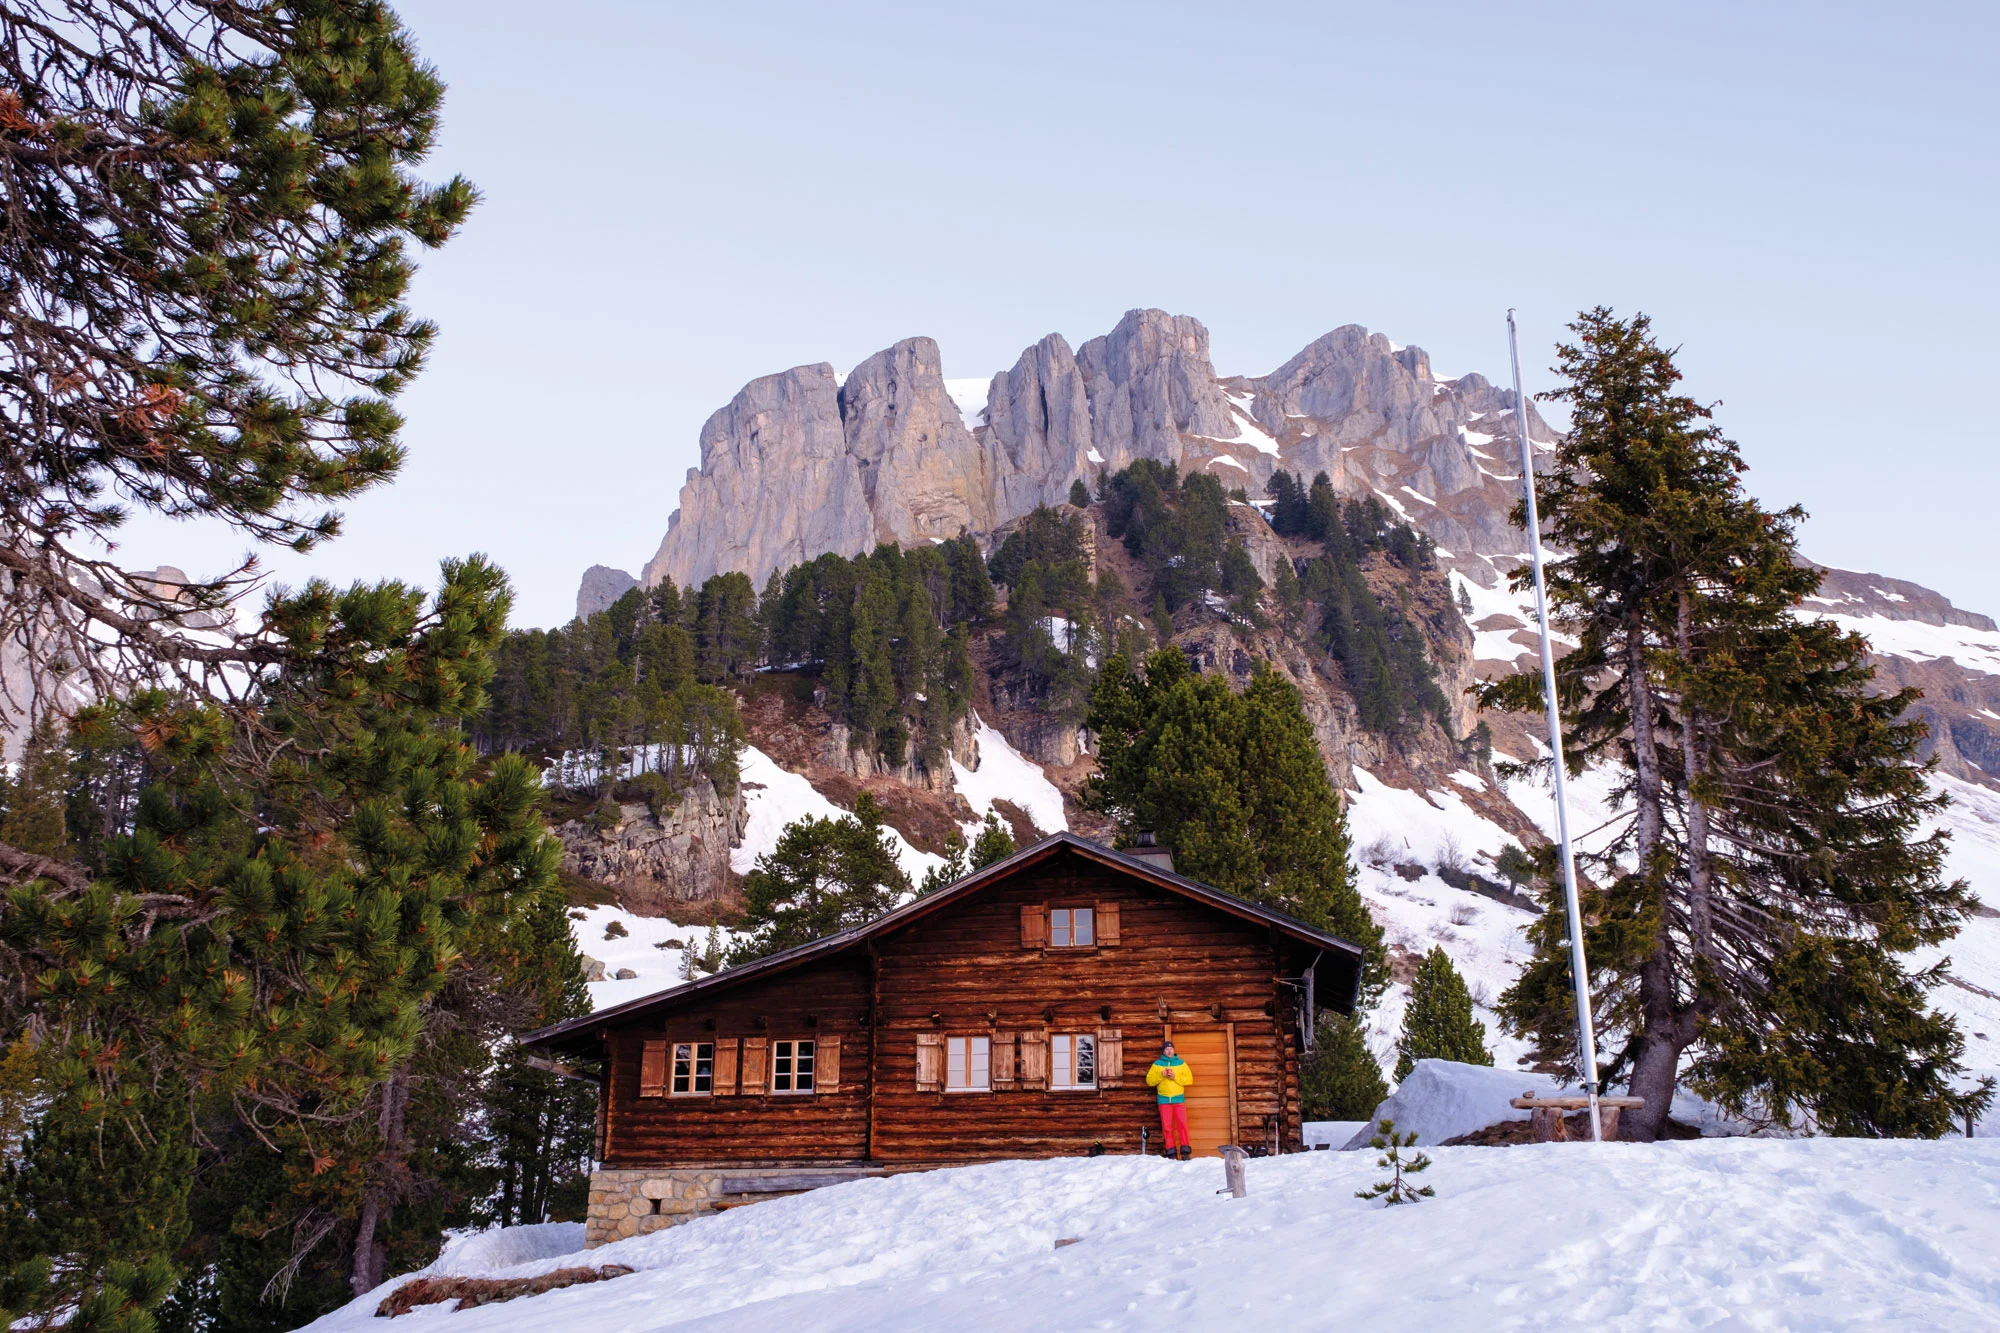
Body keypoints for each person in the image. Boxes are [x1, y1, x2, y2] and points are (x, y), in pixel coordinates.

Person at [1146, 1040, 1195, 1160]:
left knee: (1182, 1124)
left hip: (1178, 1099)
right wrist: (1161, 1075)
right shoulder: (1157, 1064)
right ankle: (1171, 1152)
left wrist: (1175, 1077)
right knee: (1167, 1127)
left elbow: (1189, 1079)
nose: (1169, 1051)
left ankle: (1185, 1151)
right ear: (1163, 1051)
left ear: (1174, 1050)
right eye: (1167, 1049)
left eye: (1171, 1049)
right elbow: (1150, 1081)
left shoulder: (1181, 1063)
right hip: (1163, 1100)